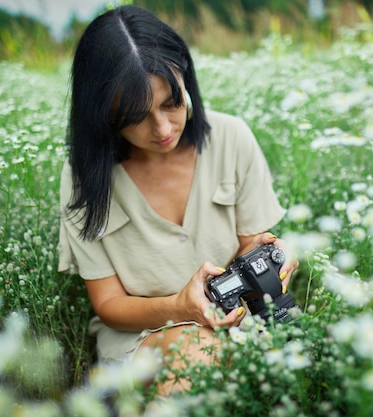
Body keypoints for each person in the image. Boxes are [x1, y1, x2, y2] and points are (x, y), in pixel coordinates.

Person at [57, 5, 298, 395]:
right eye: (136, 116)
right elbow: (109, 303)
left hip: (236, 322)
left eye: (171, 102)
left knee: (216, 353)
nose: (163, 128)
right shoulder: (83, 176)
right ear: (103, 113)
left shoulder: (231, 137)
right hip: (140, 336)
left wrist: (271, 258)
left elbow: (252, 244)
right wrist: (178, 308)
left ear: (185, 77)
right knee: (198, 348)